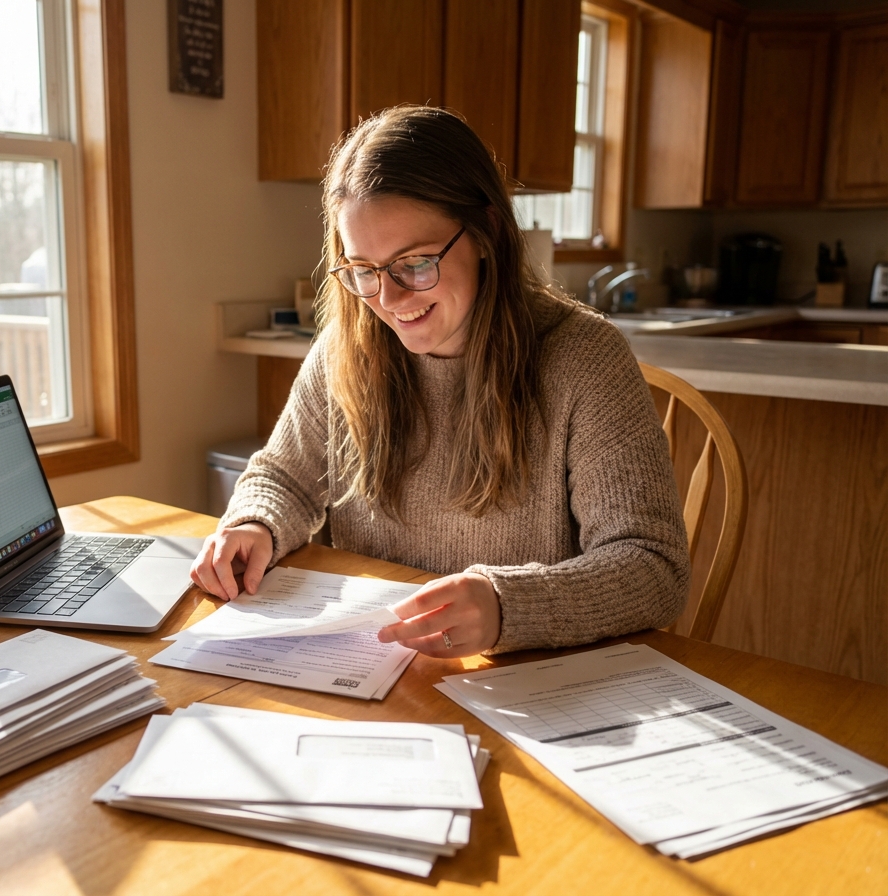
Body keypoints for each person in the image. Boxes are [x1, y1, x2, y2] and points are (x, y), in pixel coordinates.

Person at [190, 105, 689, 658]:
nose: (389, 299)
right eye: (364, 270)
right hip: (380, 667)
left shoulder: (583, 358)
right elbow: (284, 477)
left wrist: (507, 605)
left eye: (416, 262)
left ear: (487, 232)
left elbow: (652, 566)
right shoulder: (345, 348)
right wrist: (255, 524)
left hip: (527, 678)